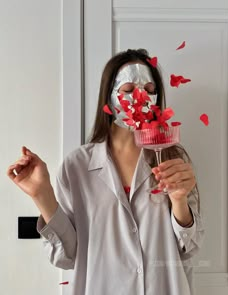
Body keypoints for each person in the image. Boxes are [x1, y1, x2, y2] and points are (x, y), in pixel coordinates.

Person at [7, 49, 204, 295]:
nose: (140, 97)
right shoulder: (77, 166)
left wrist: (179, 201)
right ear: (109, 96)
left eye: (150, 89)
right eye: (129, 90)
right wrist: (42, 194)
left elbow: (190, 248)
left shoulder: (173, 158)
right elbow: (66, 256)